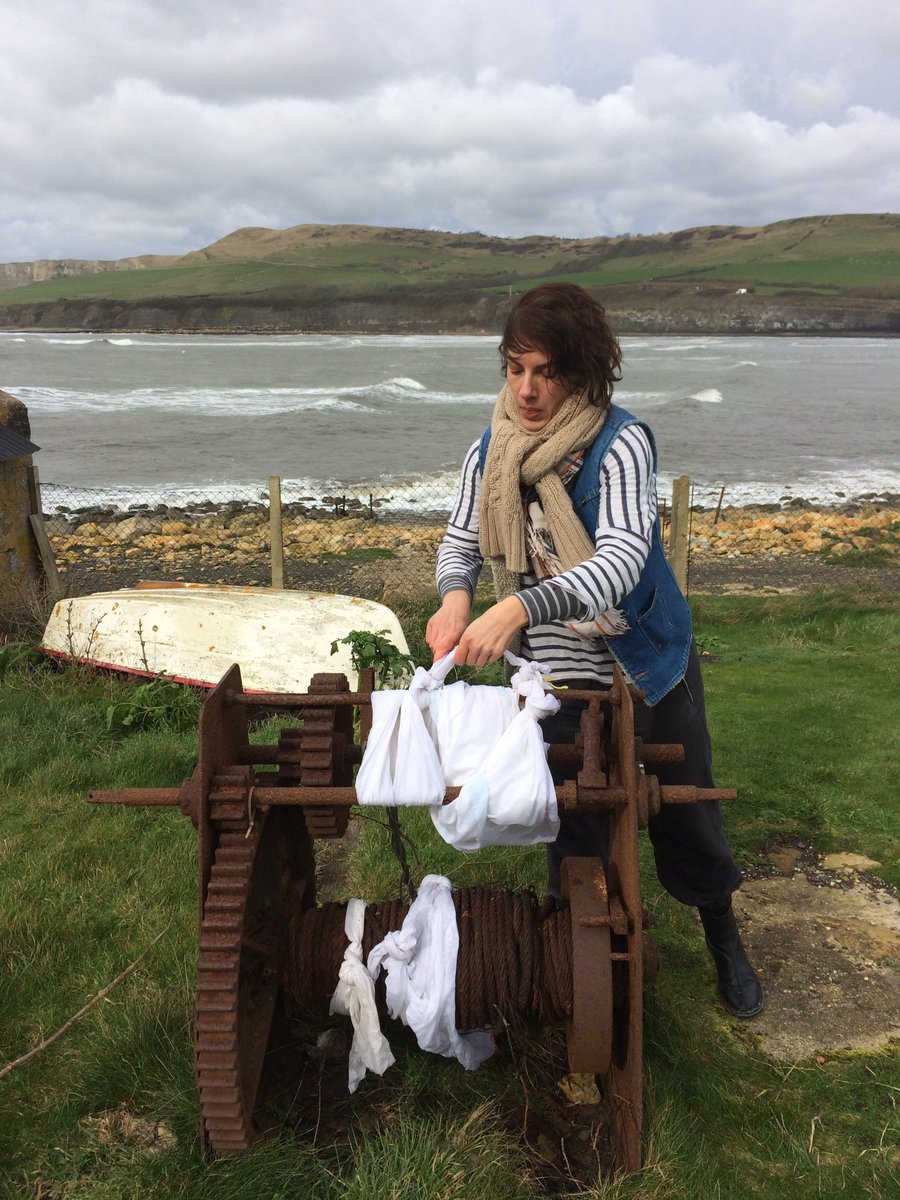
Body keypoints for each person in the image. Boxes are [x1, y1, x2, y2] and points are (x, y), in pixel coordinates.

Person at [425, 282, 763, 1019]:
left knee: (684, 807)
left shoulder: (621, 443)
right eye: (515, 369)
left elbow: (620, 562)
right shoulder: (492, 447)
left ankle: (722, 935)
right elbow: (460, 538)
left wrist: (513, 606)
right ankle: (572, 946)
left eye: (545, 371)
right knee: (571, 804)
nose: (528, 389)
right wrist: (457, 595)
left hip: (643, 656)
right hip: (557, 663)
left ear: (583, 371)